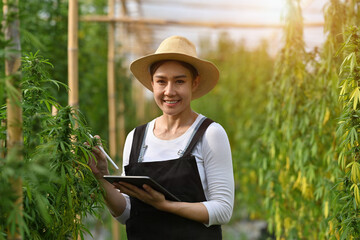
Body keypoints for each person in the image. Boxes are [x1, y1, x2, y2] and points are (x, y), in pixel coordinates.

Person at [89, 35, 234, 240]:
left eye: (179, 81)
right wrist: (101, 178)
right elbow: (128, 213)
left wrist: (165, 205)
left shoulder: (210, 134)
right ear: (152, 83)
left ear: (195, 83)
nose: (169, 91)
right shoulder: (136, 137)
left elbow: (223, 210)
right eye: (161, 81)